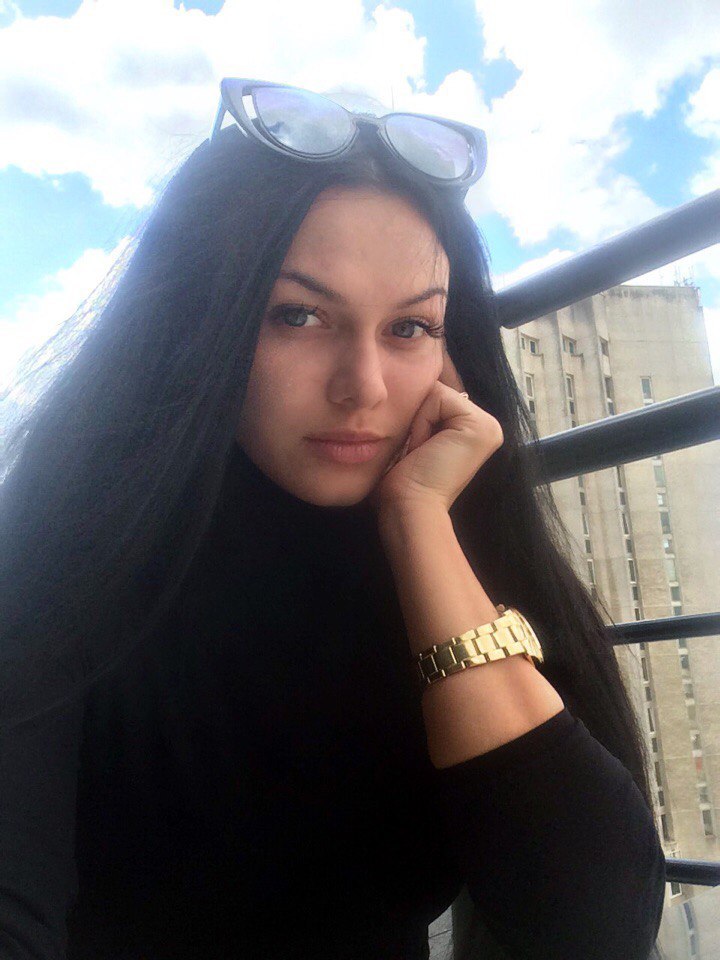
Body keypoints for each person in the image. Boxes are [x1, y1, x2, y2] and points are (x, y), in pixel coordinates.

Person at [0, 80, 665, 960]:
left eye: (410, 328)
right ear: (199, 323)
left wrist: (419, 525)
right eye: (299, 315)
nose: (365, 387)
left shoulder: (468, 544)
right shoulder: (63, 556)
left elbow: (595, 926)